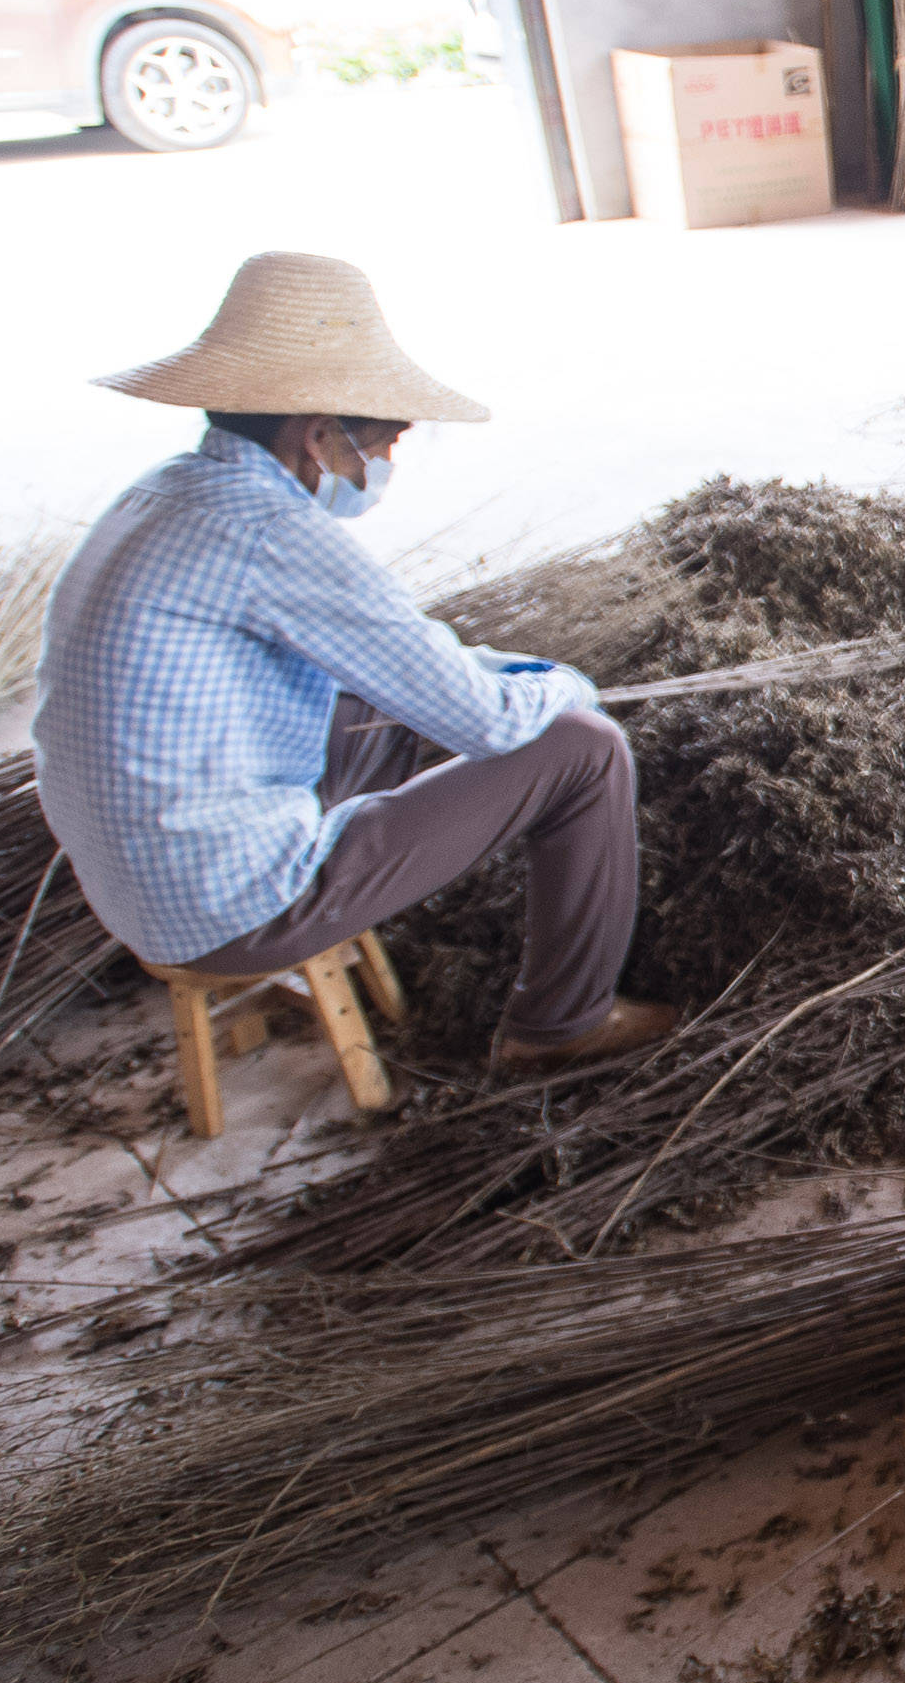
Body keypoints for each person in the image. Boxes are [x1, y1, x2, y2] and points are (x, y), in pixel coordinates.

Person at [36, 251, 677, 1074]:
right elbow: (484, 723)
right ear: (318, 435)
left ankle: (432, 884)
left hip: (140, 877)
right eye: (384, 441)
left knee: (386, 708)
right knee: (585, 750)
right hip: (229, 904)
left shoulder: (166, 493)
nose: (385, 465)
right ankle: (561, 1025)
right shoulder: (274, 534)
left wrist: (486, 667)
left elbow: (396, 668)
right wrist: (562, 684)